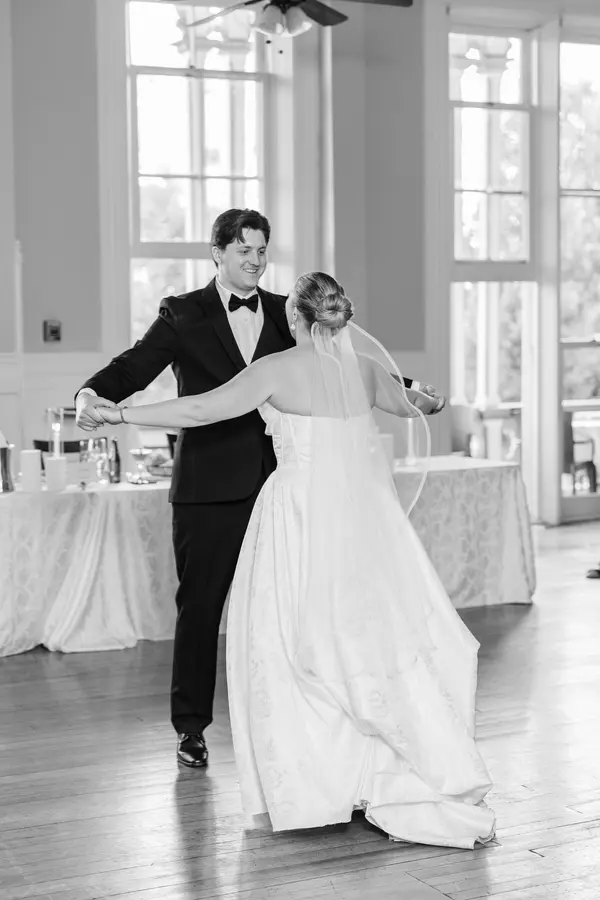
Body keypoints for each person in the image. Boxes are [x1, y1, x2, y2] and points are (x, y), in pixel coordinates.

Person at [95, 271, 495, 850]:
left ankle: (322, 784)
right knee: (367, 639)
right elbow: (415, 406)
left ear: (294, 318)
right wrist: (428, 401)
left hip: (298, 520)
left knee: (292, 645)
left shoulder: (275, 370)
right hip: (362, 524)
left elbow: (202, 410)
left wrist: (120, 416)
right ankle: (379, 775)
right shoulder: (367, 370)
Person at [75, 208, 445, 769]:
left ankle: (309, 721)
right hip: (208, 488)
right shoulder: (182, 313)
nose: (255, 261)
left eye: (262, 250)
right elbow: (132, 369)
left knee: (299, 605)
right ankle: (191, 727)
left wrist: (413, 387)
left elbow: (345, 363)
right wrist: (89, 394)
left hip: (286, 486)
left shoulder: (288, 310)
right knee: (201, 607)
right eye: (244, 250)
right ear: (217, 253)